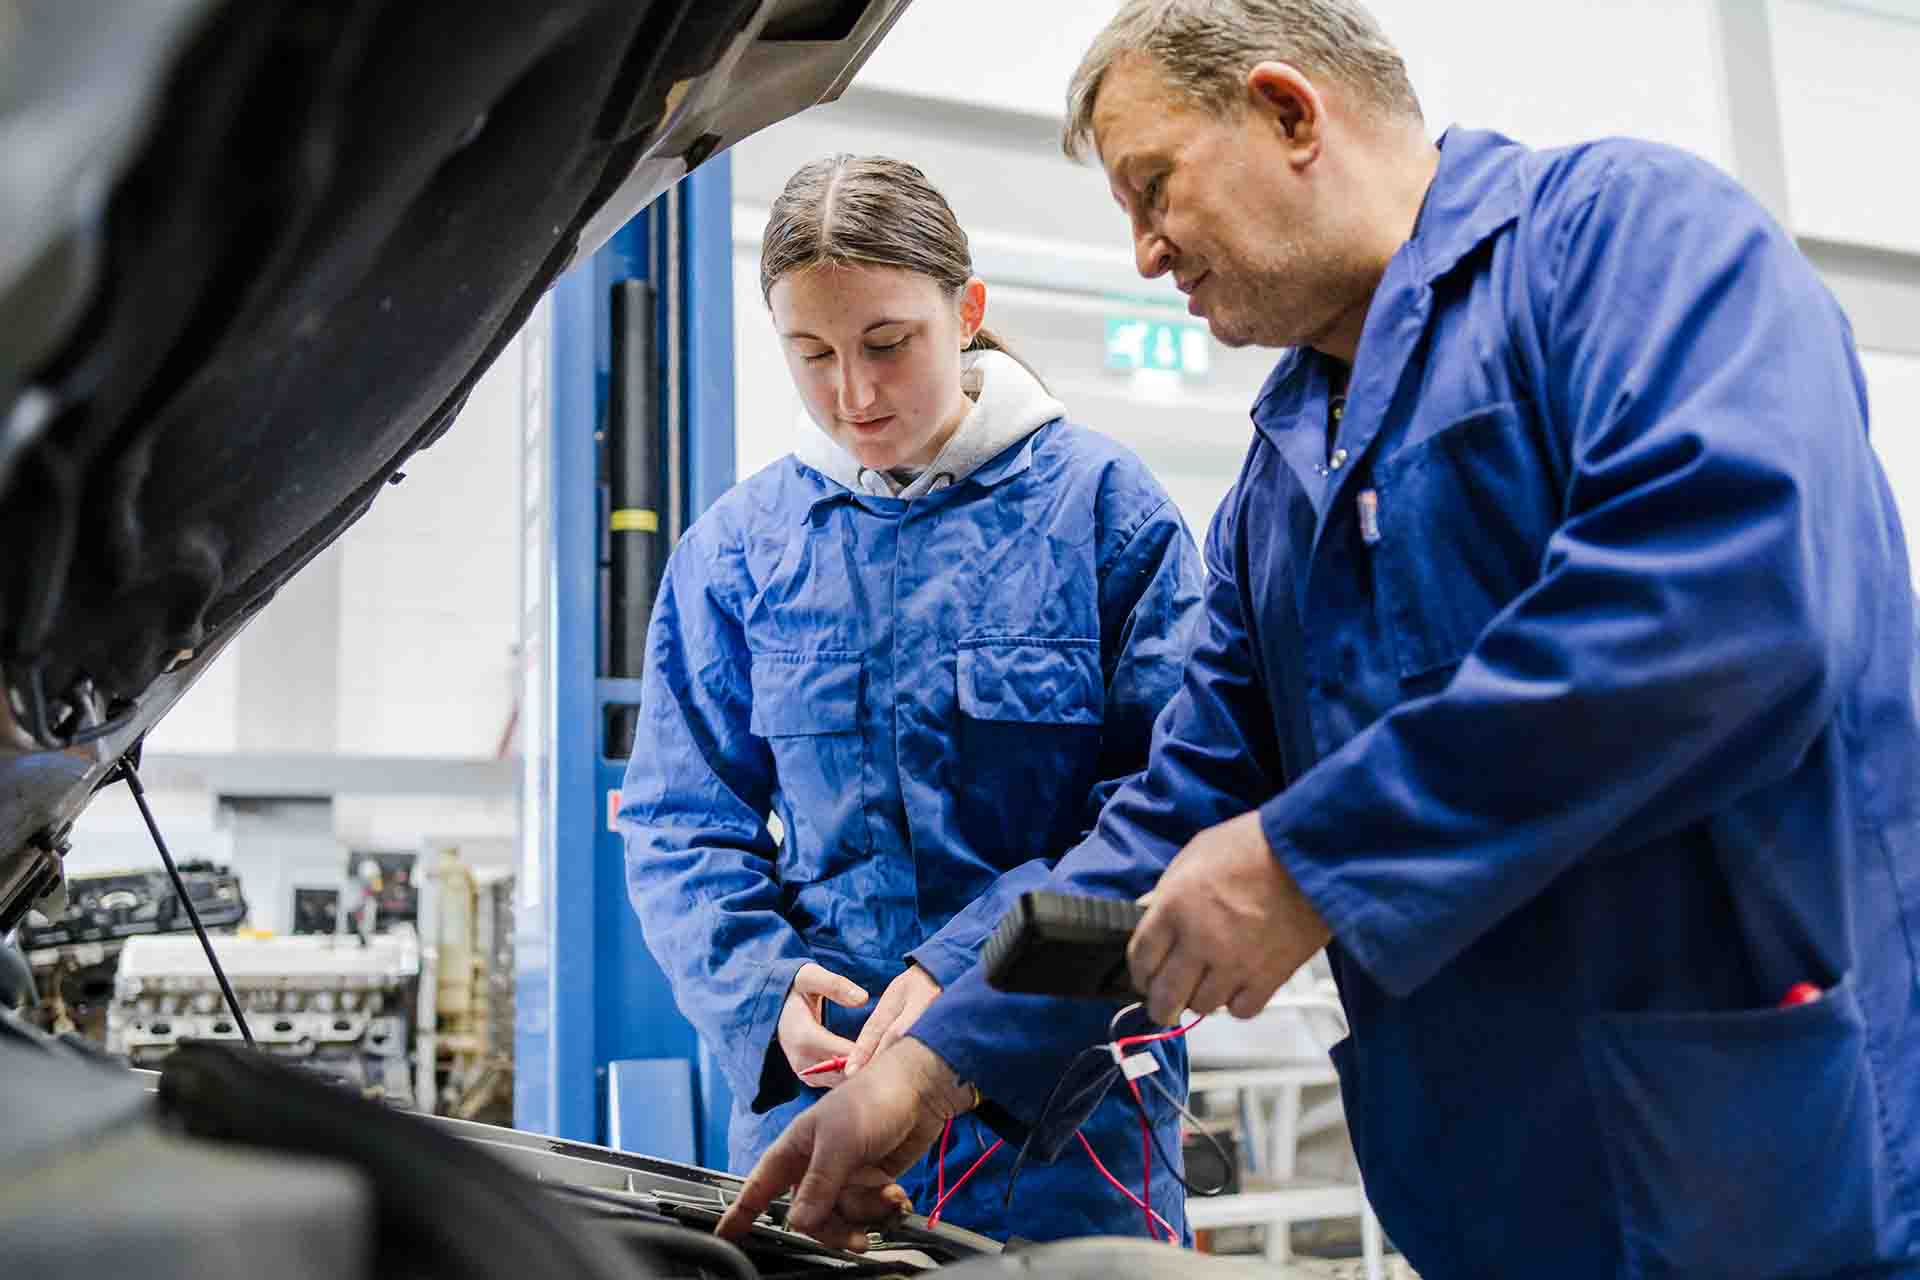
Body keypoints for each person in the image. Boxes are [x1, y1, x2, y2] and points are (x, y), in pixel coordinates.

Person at [717, 3, 1920, 1275]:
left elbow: (1727, 605)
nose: (1142, 251)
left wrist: (1309, 859)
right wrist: (934, 1061)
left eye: (1154, 185)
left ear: (1290, 111)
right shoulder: (1279, 482)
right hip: (1491, 1196)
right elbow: (1178, 811)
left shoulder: (1625, 245)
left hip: (1761, 1167)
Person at [621, 154, 1205, 1242]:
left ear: (967, 311)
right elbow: (676, 820)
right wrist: (760, 990)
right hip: (825, 1100)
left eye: (888, 344)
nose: (854, 392)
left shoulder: (1105, 514)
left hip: (1067, 1109)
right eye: (813, 355)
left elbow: (1166, 803)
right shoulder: (741, 551)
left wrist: (969, 976)